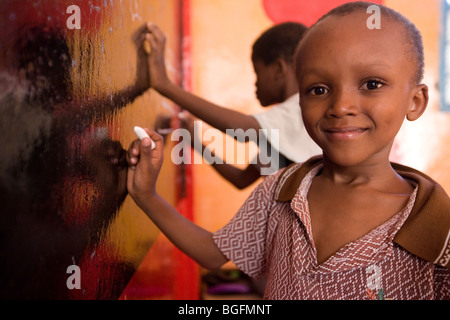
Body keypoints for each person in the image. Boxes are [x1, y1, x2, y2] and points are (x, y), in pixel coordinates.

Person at [127, 2, 450, 299]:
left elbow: (241, 128)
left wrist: (166, 86)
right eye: (318, 90)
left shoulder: (437, 231)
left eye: (372, 84)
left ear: (416, 101)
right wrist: (148, 191)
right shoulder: (282, 187)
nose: (340, 106)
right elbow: (235, 195)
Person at [144, 22, 321, 189]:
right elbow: (241, 179)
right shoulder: (286, 134)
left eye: (257, 73)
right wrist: (195, 141)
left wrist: (164, 85)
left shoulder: (300, 109)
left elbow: (242, 131)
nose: (256, 84)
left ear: (278, 69)